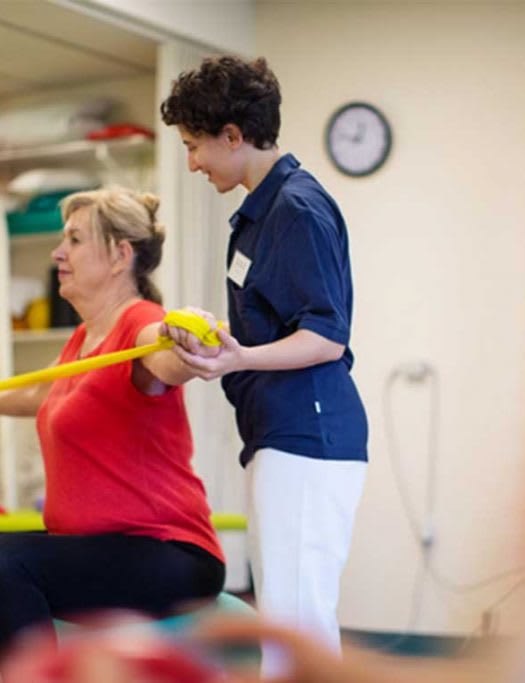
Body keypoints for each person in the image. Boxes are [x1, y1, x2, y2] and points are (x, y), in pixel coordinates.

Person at [0, 187, 226, 682]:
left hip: (169, 552)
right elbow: (41, 397)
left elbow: (166, 362)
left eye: (73, 239)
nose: (57, 253)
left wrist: (189, 338)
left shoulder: (142, 323)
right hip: (91, 545)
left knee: (4, 561)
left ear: (119, 255)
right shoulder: (83, 337)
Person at [159, 55, 369, 671]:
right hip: (279, 434)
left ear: (233, 135)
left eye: (195, 146)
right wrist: (225, 345)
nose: (192, 162)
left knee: (298, 626)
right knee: (285, 623)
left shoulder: (296, 210)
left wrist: (238, 357)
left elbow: (326, 336)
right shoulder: (261, 214)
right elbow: (280, 325)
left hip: (310, 436)